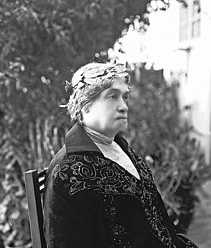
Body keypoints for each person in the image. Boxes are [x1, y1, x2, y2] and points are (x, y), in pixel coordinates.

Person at [43, 62, 199, 248]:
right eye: (112, 97)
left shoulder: (120, 148)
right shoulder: (68, 173)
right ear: (85, 105)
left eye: (124, 97)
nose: (124, 106)